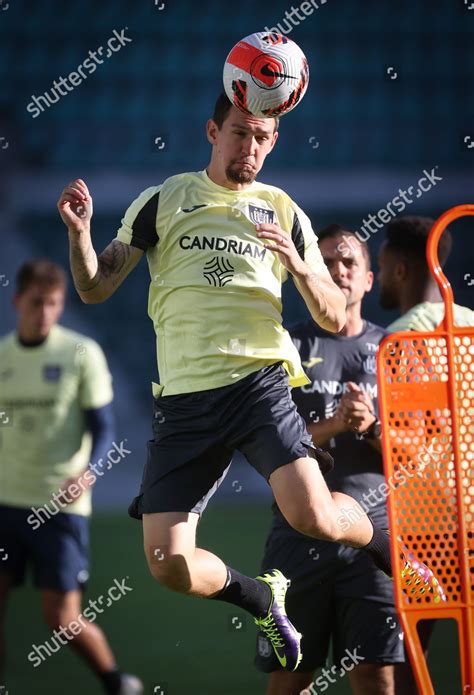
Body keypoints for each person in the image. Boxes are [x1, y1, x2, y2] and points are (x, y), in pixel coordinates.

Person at [57, 93, 444, 673]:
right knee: (168, 563)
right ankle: (261, 597)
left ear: (274, 142)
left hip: (257, 385)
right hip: (184, 401)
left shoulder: (283, 209)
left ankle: (397, 555)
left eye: (263, 138)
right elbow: (95, 287)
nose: (251, 147)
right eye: (241, 133)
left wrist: (301, 263)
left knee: (311, 516)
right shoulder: (165, 199)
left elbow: (337, 317)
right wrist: (81, 236)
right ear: (213, 130)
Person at [255, 224, 405, 695]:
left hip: (374, 540)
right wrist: (336, 426)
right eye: (327, 263)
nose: (338, 271)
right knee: (289, 678)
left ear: (368, 280)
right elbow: (264, 443)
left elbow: (418, 455)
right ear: (309, 275)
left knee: (376, 677)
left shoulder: (393, 351)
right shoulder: (283, 345)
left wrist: (374, 427)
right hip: (297, 537)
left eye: (349, 263)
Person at [0, 260, 142, 695]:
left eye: (54, 304)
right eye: (37, 302)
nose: (45, 312)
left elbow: (104, 428)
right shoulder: (2, 355)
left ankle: (117, 682)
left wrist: (90, 471)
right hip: (5, 502)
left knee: (61, 619)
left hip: (59, 506)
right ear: (17, 300)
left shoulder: (81, 353)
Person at [377, 215, 473, 694]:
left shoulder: (401, 338)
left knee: (409, 658)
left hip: (426, 524)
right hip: (471, 512)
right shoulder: (472, 326)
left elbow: (406, 434)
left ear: (399, 269)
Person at [377, 215, 474, 331]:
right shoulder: (469, 319)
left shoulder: (401, 333)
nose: (379, 277)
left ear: (400, 271)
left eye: (381, 267)